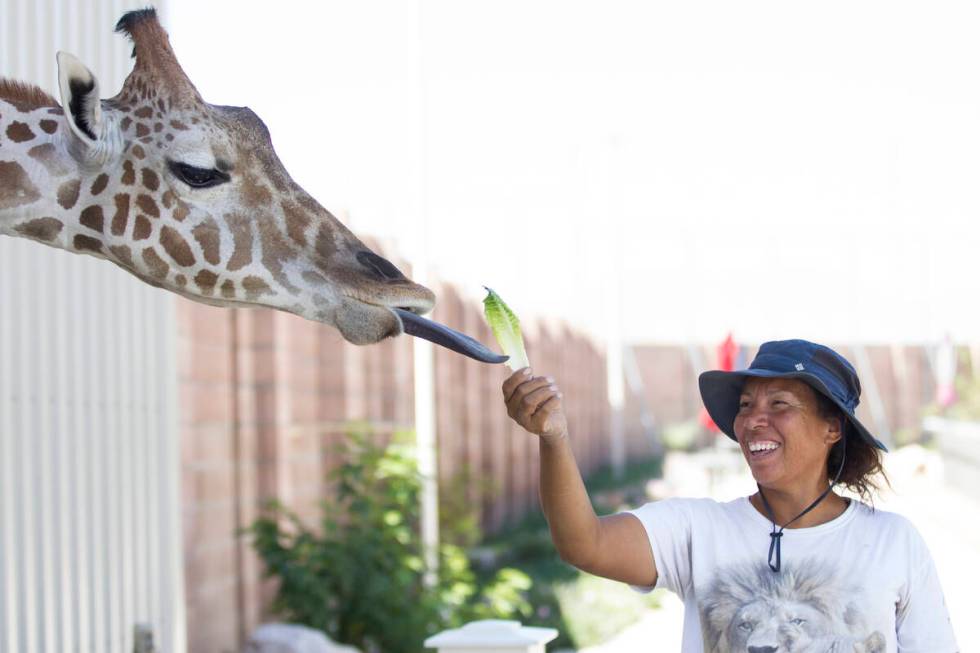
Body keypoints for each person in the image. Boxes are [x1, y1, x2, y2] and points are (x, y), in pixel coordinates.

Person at [502, 339, 958, 652]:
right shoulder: (697, 530)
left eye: (779, 404)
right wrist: (554, 439)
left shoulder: (893, 543)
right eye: (745, 406)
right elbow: (584, 543)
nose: (753, 420)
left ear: (831, 428)